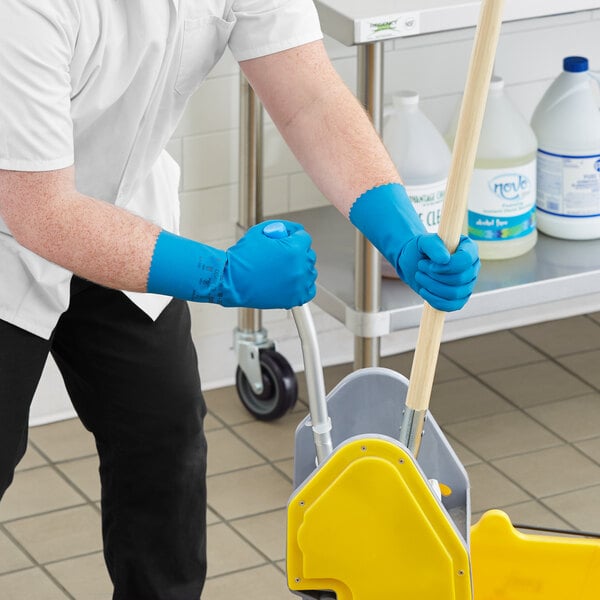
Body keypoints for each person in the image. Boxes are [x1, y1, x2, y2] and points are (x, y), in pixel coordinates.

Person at [0, 1, 480, 598]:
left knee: (164, 442)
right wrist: (223, 275)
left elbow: (309, 99)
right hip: (14, 227)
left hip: (122, 218)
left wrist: (403, 235)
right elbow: (43, 213)